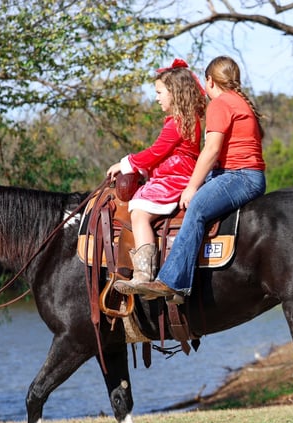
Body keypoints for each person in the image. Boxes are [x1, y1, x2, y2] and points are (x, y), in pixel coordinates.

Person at [115, 55, 266, 299]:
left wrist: (192, 187)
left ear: (210, 81)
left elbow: (211, 149)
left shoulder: (220, 104)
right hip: (244, 174)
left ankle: (173, 282)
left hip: (239, 176)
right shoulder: (240, 102)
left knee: (196, 209)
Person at [108, 59, 206, 291]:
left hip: (174, 178)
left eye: (159, 92)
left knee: (139, 213)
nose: (156, 98)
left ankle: (144, 273)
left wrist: (126, 164)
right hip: (175, 173)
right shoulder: (185, 120)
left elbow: (155, 152)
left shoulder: (177, 123)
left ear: (174, 93)